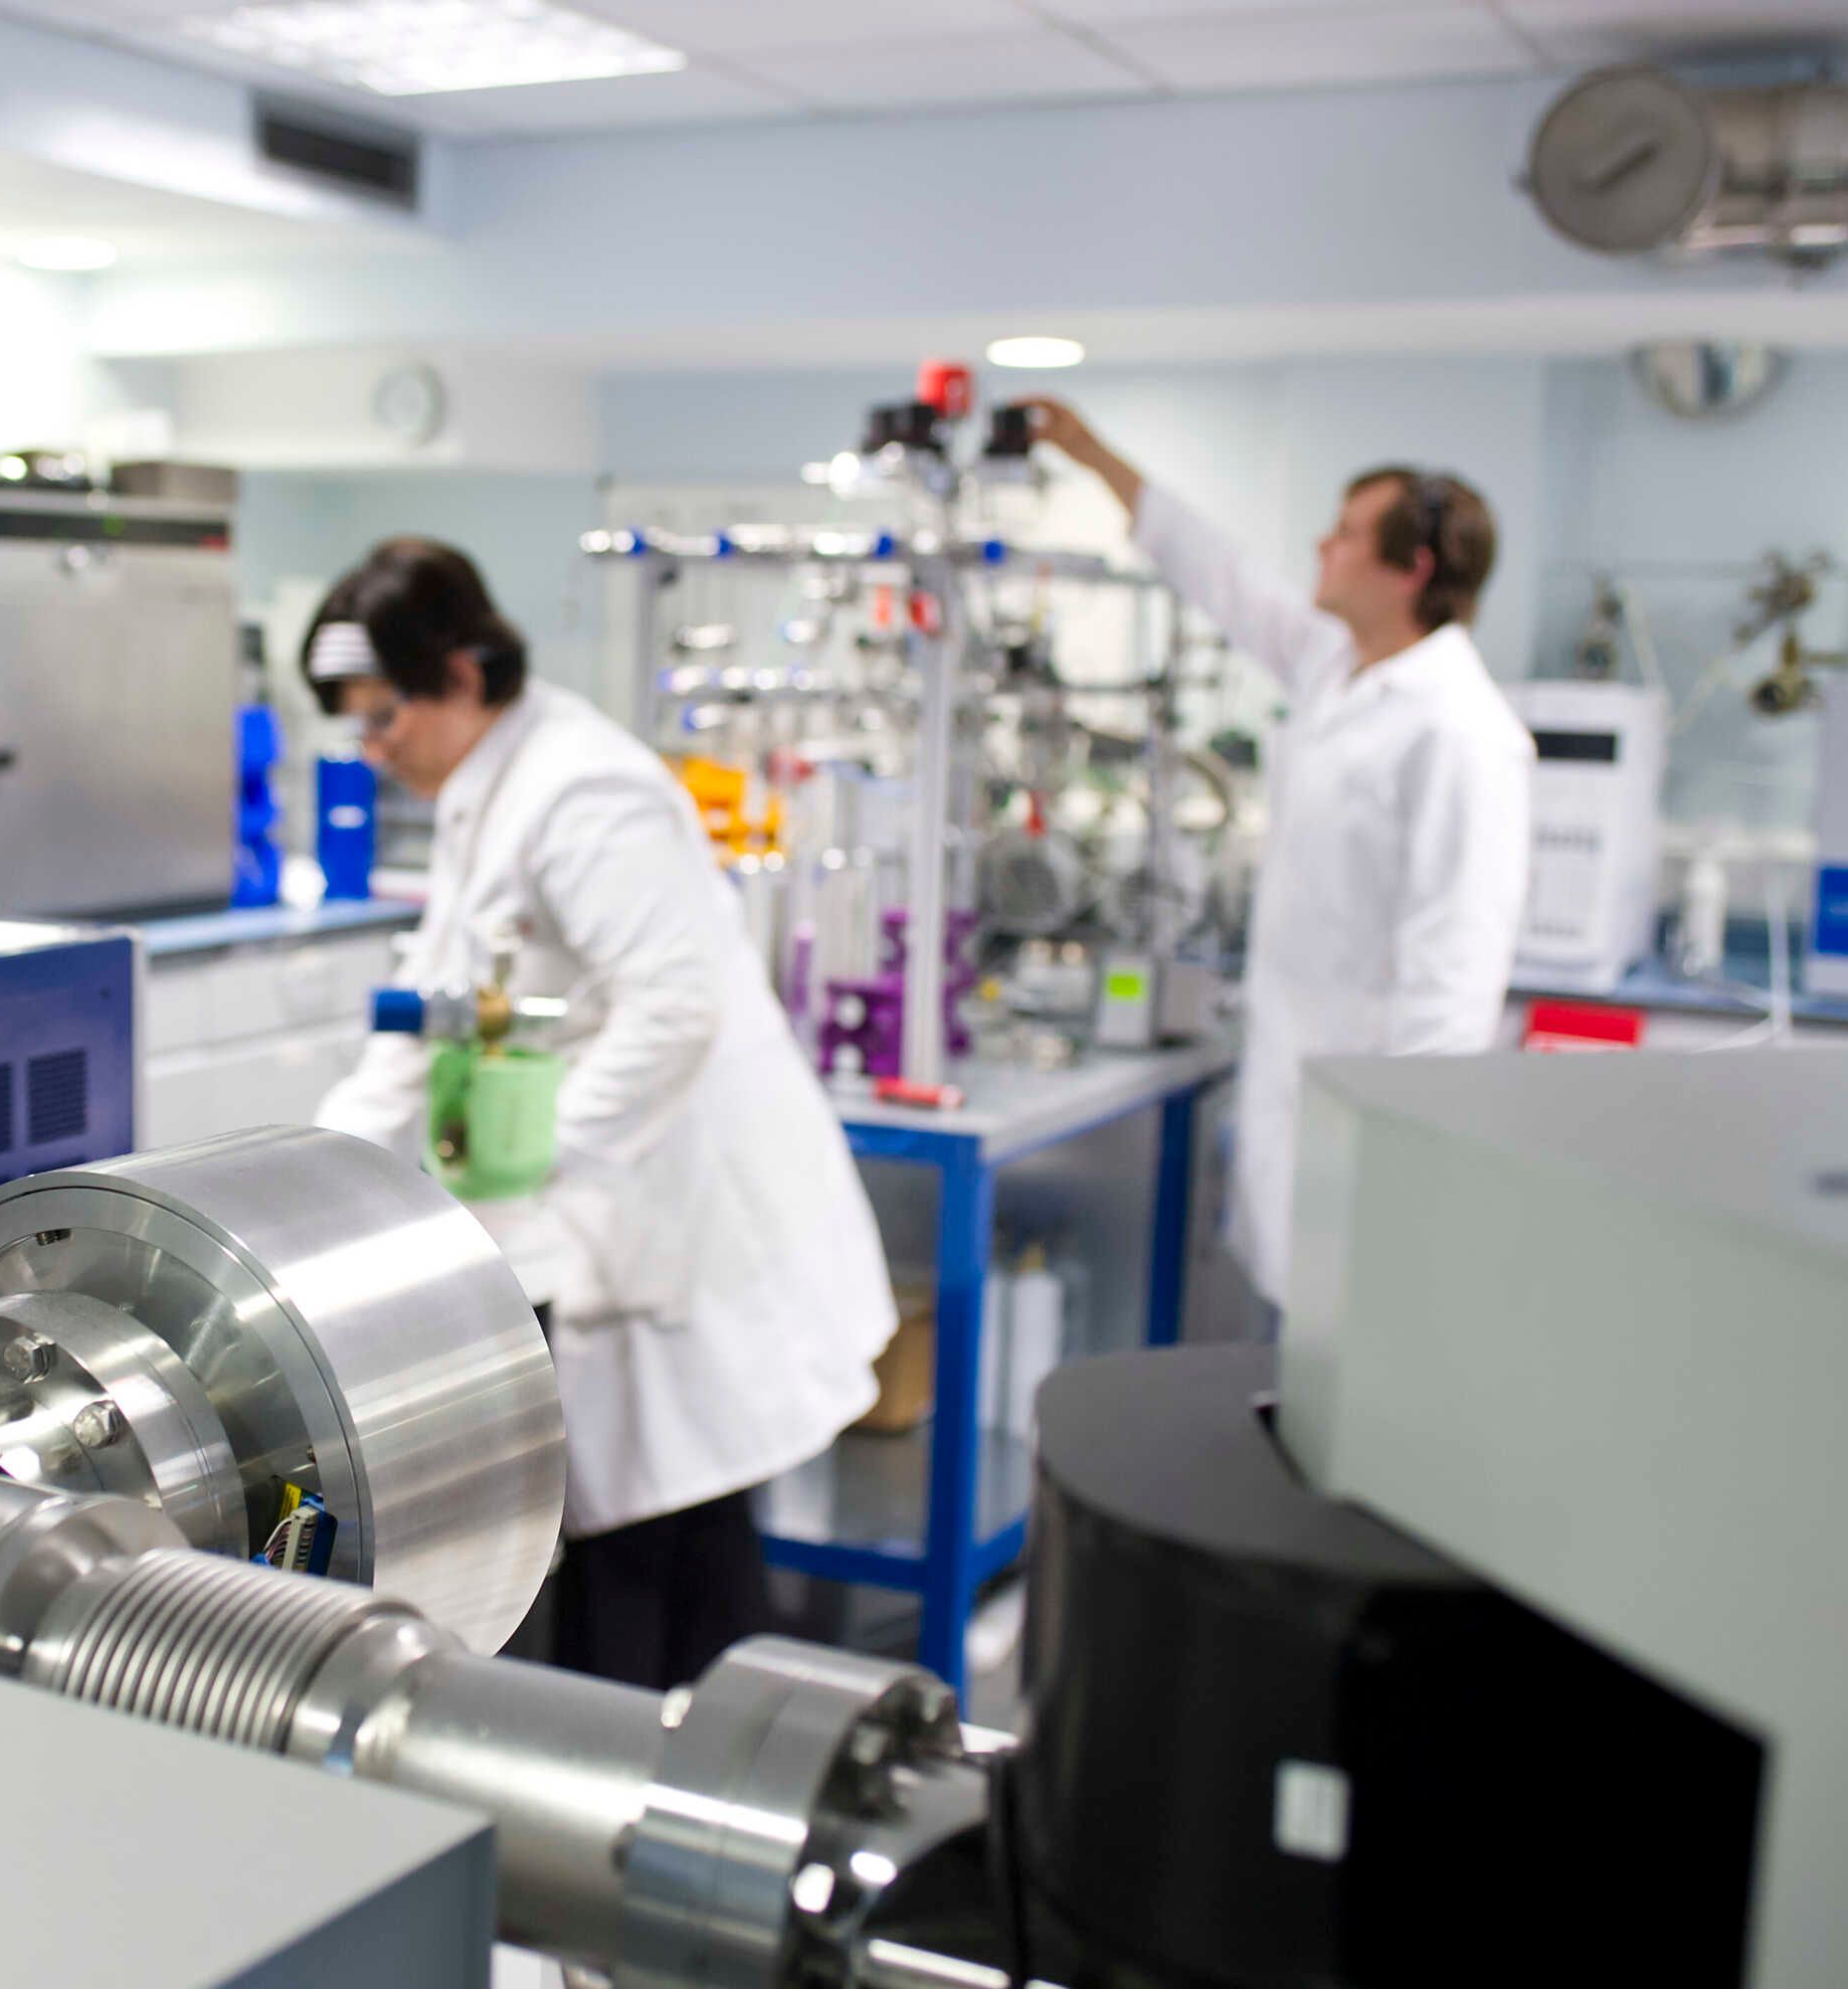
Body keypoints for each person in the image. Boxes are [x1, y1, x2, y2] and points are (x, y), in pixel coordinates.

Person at [305, 539, 895, 1691]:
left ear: (464, 675)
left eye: (386, 720)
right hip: (616, 1221)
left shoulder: (582, 790)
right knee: (642, 1544)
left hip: (677, 1218)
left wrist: (528, 1155)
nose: (375, 753)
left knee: (670, 1558)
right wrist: (314, 1171)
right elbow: (427, 1015)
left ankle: (688, 1811)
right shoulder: (492, 790)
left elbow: (674, 1010)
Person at [1016, 398, 1533, 1325]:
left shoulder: (1461, 731)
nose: (1320, 549)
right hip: (1296, 1094)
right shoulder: (1337, 665)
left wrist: (1408, 1163)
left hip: (1372, 1133)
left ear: (1411, 568)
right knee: (1286, 1354)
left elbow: (1456, 973)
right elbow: (1222, 574)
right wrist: (1090, 450)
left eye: (1344, 536)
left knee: (1354, 1375)